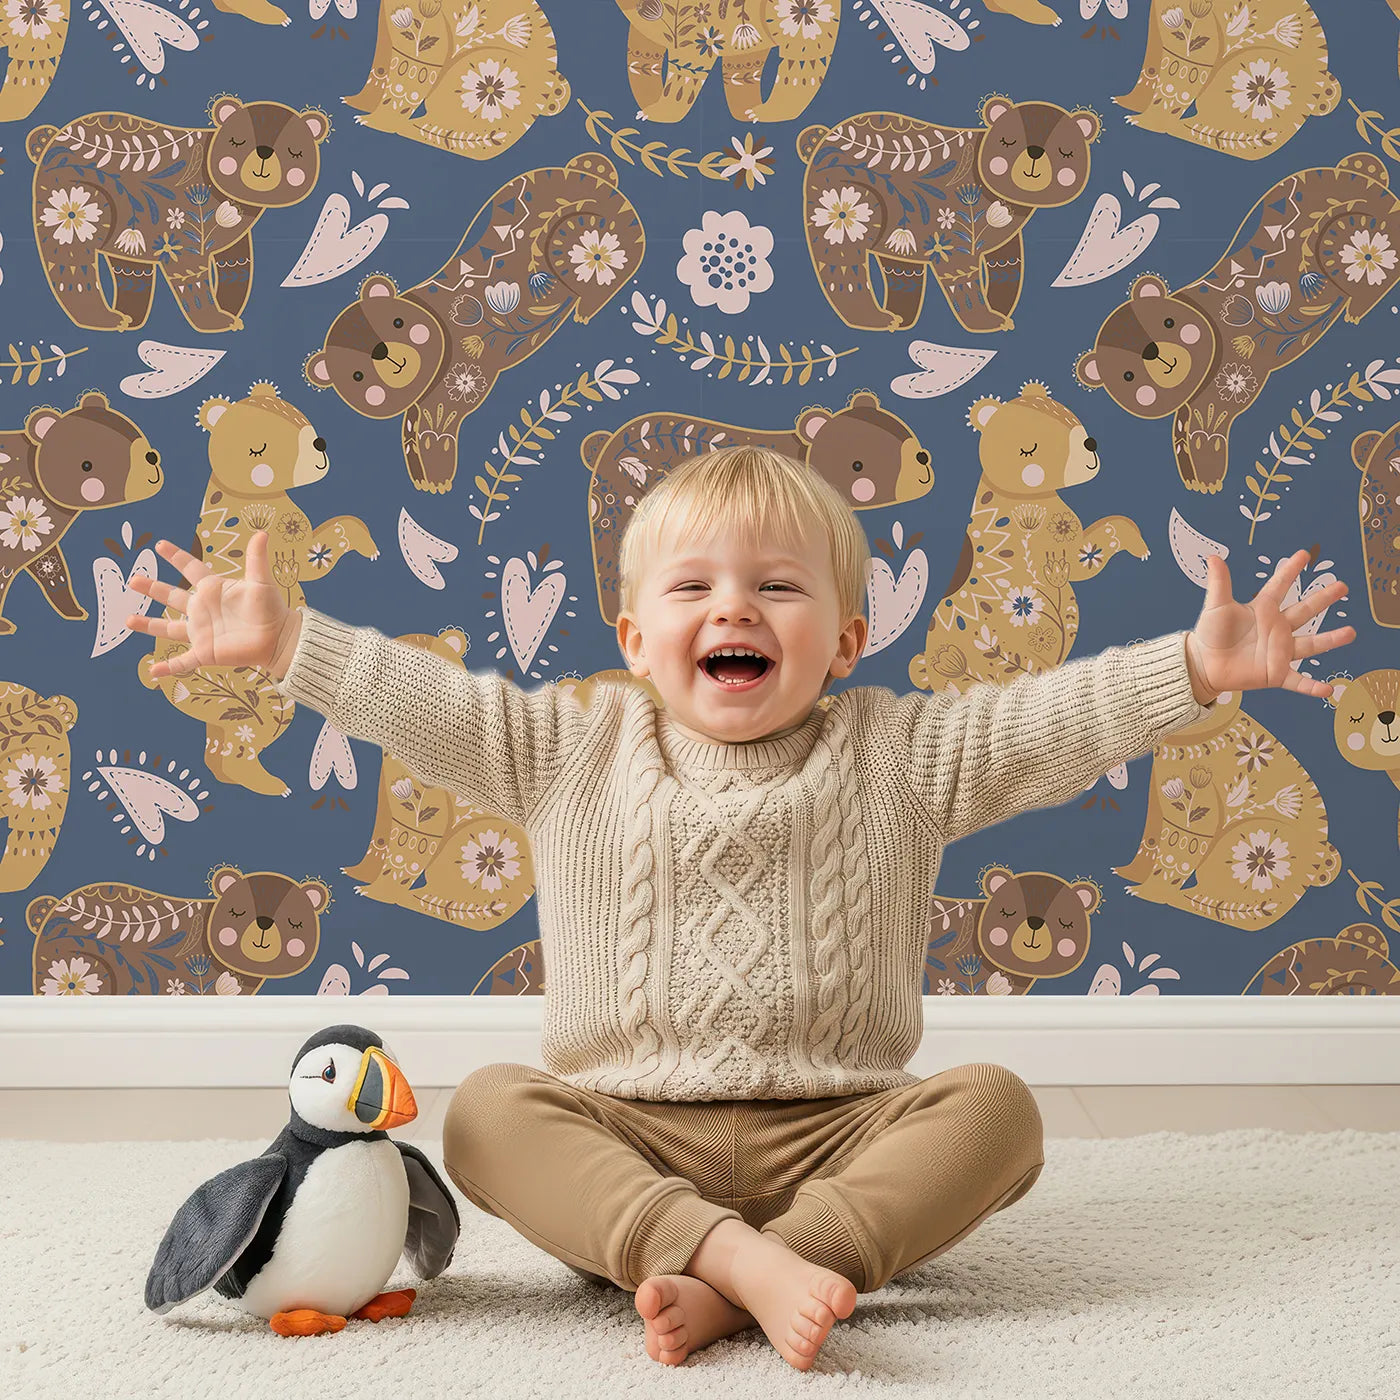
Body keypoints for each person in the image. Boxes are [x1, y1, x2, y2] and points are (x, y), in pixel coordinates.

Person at [126, 445, 1354, 1371]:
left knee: (995, 1109)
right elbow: (421, 700)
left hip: (839, 1131)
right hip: (630, 1134)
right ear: (632, 635)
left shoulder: (904, 753)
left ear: (847, 639)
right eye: (693, 587)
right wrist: (290, 640)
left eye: (778, 585)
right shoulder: (568, 744)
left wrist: (1191, 670)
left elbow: (1050, 723)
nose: (733, 609)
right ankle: (740, 1262)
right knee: (491, 1112)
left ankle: (758, 1265)